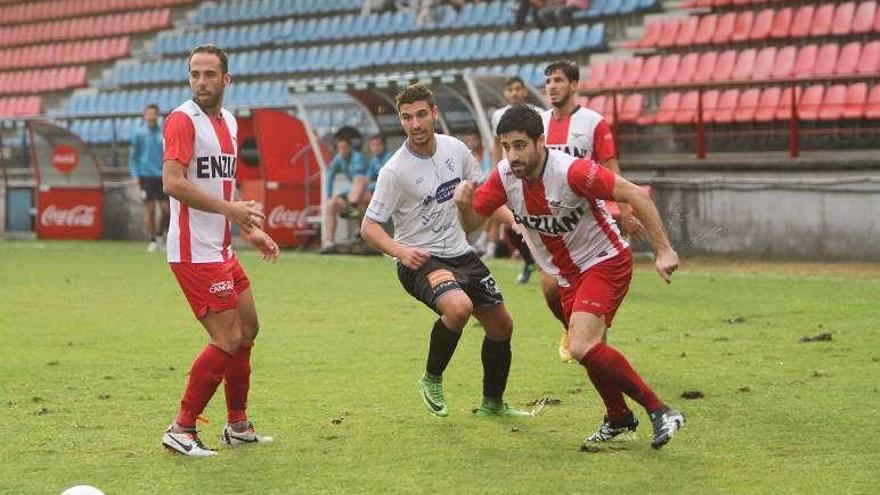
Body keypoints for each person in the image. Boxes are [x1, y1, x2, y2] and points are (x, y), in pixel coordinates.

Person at [454, 104, 686, 449]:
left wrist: (663, 250)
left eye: (520, 145)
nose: (513, 155)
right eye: (506, 147)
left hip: (604, 261)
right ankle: (618, 416)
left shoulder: (572, 171)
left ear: (541, 142)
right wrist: (464, 205)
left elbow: (635, 193)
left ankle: (661, 411)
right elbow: (473, 225)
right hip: (567, 275)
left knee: (582, 345)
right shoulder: (505, 175)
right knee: (590, 348)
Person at [360, 84, 528, 418]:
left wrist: (515, 221)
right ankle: (431, 378)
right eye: (407, 118)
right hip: (420, 259)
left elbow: (481, 199)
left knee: (501, 326)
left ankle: (493, 403)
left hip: (461, 254)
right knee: (459, 307)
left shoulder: (456, 150)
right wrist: (399, 252)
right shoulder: (394, 171)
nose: (415, 124)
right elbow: (368, 227)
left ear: (434, 113)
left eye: (421, 114)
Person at [160, 44, 280, 457]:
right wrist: (231, 209)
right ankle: (182, 428)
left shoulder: (229, 121)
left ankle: (237, 425)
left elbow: (221, 188)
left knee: (247, 330)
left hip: (221, 246)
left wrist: (248, 228)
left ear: (226, 80)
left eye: (210, 74)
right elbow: (173, 182)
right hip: (193, 252)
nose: (201, 82)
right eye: (195, 74)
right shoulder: (182, 120)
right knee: (227, 337)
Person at [541, 59, 647, 362]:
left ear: (574, 85)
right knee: (550, 287)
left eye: (558, 80)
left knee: (592, 296)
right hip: (552, 222)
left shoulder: (593, 123)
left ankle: (599, 356)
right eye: (548, 81)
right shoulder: (540, 124)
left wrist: (625, 212)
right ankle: (569, 327)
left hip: (588, 220)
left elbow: (612, 171)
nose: (552, 87)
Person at [489, 76, 541, 283]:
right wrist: (495, 170)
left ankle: (549, 262)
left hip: (529, 174)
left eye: (519, 88)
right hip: (509, 176)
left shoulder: (536, 113)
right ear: (505, 93)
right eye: (511, 89)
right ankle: (529, 261)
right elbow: (495, 144)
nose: (515, 93)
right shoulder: (497, 115)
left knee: (536, 221)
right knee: (510, 224)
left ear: (525, 92)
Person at [129, 103, 169, 252]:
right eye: (149, 113)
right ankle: (153, 240)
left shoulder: (163, 133)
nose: (151, 116)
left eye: (154, 113)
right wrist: (135, 175)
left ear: (158, 116)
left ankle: (160, 235)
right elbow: (133, 157)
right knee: (150, 209)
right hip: (146, 176)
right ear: (145, 115)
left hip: (162, 176)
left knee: (166, 210)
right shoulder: (139, 134)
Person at [321, 136, 367, 254]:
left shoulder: (358, 158)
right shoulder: (338, 158)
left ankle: (361, 229)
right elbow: (330, 175)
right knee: (331, 204)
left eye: (344, 147)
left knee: (359, 186)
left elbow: (359, 180)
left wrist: (348, 195)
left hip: (367, 191)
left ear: (350, 148)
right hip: (353, 194)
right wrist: (329, 195)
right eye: (339, 147)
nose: (341, 150)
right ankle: (329, 242)